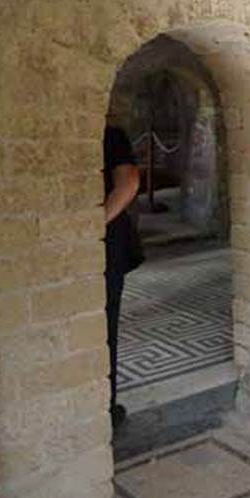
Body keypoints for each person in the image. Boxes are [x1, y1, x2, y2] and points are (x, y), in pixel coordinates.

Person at [103, 123, 143, 429]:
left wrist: (97, 221)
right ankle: (103, 403)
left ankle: (105, 404)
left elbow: (129, 181)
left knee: (106, 324)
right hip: (104, 243)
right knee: (104, 324)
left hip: (107, 245)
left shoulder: (110, 134)